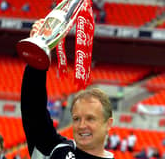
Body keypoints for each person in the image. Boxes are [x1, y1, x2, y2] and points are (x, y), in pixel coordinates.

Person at [20, 22, 114, 158]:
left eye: (90, 119)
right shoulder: (57, 150)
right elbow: (33, 112)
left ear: (108, 123)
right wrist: (37, 56)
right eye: (76, 119)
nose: (82, 125)